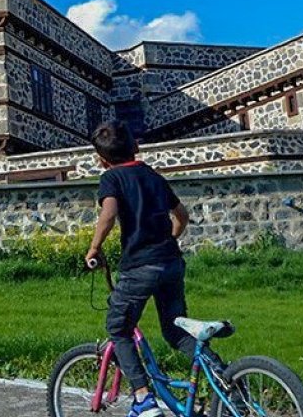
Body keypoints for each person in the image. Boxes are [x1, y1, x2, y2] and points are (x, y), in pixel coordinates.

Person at [84, 120, 219, 417]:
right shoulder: (154, 176)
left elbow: (108, 212)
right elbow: (181, 217)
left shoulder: (112, 178)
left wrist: (94, 248)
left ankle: (143, 397)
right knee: (176, 331)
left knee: (118, 328)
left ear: (101, 160)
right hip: (171, 262)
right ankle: (227, 378)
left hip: (139, 267)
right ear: (136, 147)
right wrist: (167, 242)